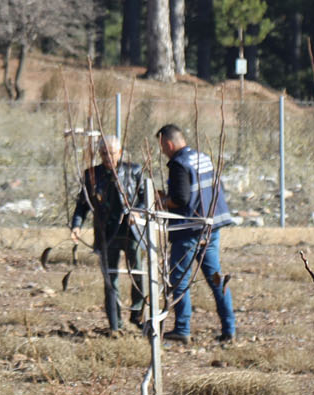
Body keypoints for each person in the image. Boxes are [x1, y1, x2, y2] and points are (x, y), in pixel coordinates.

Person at [156, 123, 236, 342]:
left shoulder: (178, 164)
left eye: (162, 146)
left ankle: (182, 329)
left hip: (189, 229)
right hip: (211, 227)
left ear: (168, 143)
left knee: (179, 280)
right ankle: (229, 329)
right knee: (216, 279)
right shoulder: (202, 158)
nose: (163, 151)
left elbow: (180, 199)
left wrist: (162, 200)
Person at [69, 134, 145, 333]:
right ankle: (115, 326)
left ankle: (137, 314)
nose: (107, 157)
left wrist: (136, 213)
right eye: (103, 153)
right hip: (106, 234)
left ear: (119, 152)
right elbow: (82, 204)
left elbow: (147, 200)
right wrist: (76, 225)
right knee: (110, 280)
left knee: (138, 274)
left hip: (132, 232)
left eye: (111, 153)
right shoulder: (92, 175)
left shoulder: (134, 171)